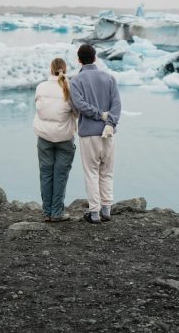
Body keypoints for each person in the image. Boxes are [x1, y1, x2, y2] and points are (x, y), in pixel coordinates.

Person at [69, 43, 122, 224]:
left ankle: (94, 213)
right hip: (108, 133)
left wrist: (98, 114)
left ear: (78, 60)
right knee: (107, 171)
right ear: (95, 58)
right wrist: (109, 122)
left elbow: (79, 105)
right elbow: (117, 105)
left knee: (91, 172)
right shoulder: (109, 78)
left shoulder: (76, 81)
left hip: (88, 134)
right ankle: (107, 209)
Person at [33, 57, 77, 222]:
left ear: (50, 69)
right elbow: (76, 111)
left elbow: (38, 106)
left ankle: (47, 212)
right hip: (64, 139)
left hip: (44, 137)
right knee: (60, 175)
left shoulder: (41, 87)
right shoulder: (69, 88)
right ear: (65, 70)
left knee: (45, 173)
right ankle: (57, 213)